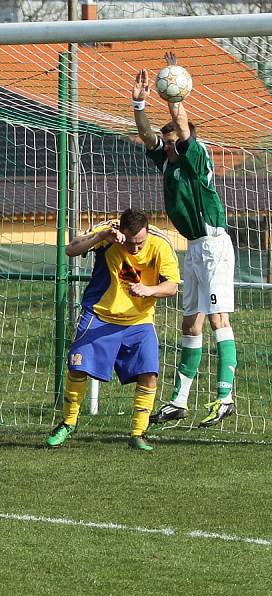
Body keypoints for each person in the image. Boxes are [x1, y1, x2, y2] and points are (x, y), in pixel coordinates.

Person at [133, 53, 238, 428]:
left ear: (183, 139)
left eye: (170, 139)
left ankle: (225, 397)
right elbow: (146, 135)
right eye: (165, 141)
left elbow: (180, 120)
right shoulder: (170, 162)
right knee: (190, 323)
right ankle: (179, 401)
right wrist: (139, 103)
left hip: (213, 245)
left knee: (216, 318)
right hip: (193, 246)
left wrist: (174, 90)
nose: (165, 144)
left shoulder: (194, 156)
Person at [46, 209, 180, 452]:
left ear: (147, 232)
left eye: (140, 242)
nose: (135, 248)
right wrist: (101, 237)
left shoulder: (160, 243)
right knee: (77, 366)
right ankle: (68, 422)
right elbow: (71, 249)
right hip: (99, 315)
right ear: (121, 231)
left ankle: (138, 433)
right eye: (130, 242)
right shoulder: (108, 233)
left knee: (149, 372)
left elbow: (171, 286)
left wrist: (148, 290)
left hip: (139, 320)